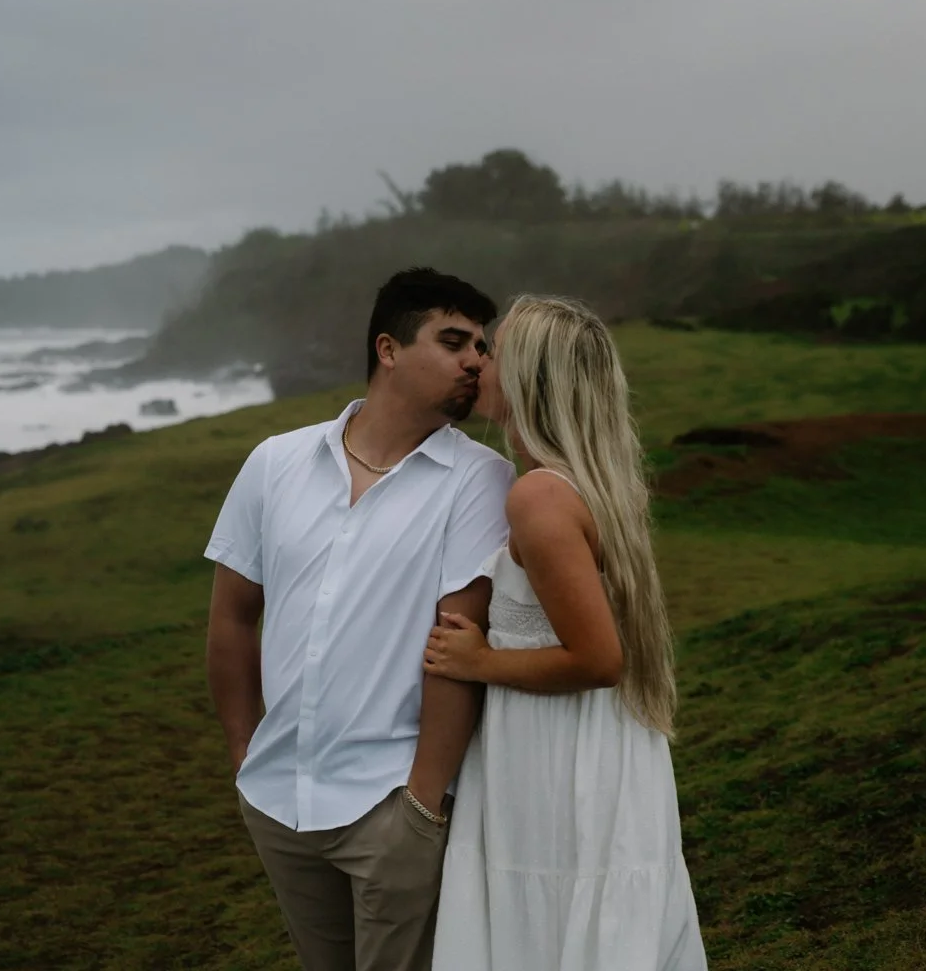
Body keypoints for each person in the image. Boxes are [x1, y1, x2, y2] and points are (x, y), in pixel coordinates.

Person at [204, 267, 516, 971]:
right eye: (454, 340)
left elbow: (456, 644)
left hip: (392, 804)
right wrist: (242, 753)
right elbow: (231, 618)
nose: (476, 360)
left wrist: (422, 805)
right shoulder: (274, 463)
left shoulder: (480, 480)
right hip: (276, 797)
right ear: (388, 349)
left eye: (481, 346)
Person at [424, 295, 708, 970]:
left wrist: (480, 660)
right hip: (593, 742)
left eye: (491, 351)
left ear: (528, 376)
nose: (476, 362)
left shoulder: (539, 497)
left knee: (551, 921)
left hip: (559, 756)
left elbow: (600, 658)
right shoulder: (588, 483)